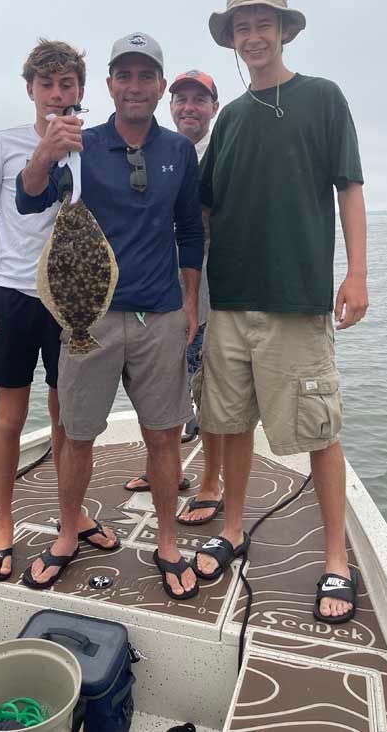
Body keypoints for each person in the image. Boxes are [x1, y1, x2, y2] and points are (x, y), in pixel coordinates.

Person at [196, 0, 368, 624]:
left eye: (262, 24)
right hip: (230, 303)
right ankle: (232, 529)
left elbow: (348, 187)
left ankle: (334, 557)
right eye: (242, 28)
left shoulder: (322, 97)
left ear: (285, 30)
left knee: (320, 432)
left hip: (298, 300)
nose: (253, 36)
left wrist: (357, 274)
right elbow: (201, 208)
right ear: (233, 40)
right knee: (230, 424)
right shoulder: (231, 119)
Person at [16, 33, 204, 600]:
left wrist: (191, 301)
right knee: (76, 436)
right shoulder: (79, 143)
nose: (136, 87)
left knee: (164, 436)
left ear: (161, 86)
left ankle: (167, 542)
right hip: (86, 319)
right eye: (125, 76)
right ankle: (69, 532)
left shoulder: (179, 151)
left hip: (160, 316)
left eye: (147, 76)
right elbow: (29, 199)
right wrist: (46, 152)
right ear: (110, 86)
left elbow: (190, 231)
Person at [0, 39, 118, 582]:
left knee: (68, 420)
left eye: (67, 84)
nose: (57, 94)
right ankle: (2, 521)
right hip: (12, 294)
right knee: (10, 417)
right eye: (46, 84)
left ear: (80, 89)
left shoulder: (97, 146)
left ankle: (71, 516)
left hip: (72, 300)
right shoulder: (1, 145)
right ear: (29, 88)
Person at [123, 69, 225, 526]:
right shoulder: (159, 152)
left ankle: (210, 483)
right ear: (170, 104)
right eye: (182, 99)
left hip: (209, 292)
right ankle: (160, 471)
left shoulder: (219, 154)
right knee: (159, 388)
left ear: (213, 108)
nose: (189, 107)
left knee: (212, 392)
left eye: (199, 100)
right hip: (160, 294)